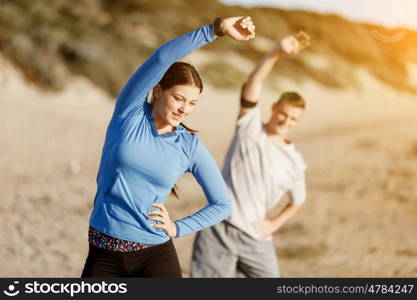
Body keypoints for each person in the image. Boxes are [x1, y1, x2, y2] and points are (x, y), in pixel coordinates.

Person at [80, 16, 256, 278]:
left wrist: (177, 228)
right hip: (103, 253)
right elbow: (161, 59)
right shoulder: (129, 114)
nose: (184, 109)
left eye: (192, 103)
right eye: (178, 98)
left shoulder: (189, 145)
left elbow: (222, 205)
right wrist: (214, 30)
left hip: (154, 256)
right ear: (159, 90)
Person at [191, 31, 311, 278]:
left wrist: (272, 224)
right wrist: (276, 52)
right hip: (217, 228)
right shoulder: (249, 127)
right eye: (283, 113)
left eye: (293, 119)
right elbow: (252, 84)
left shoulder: (295, 161)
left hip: (256, 238)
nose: (285, 120)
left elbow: (297, 200)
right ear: (274, 108)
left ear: (298, 121)